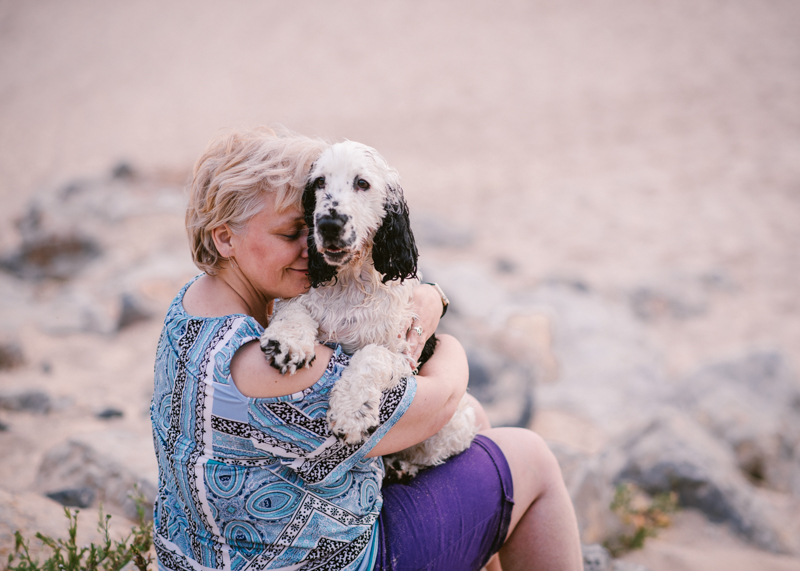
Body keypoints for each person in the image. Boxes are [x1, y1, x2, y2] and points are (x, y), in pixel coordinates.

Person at [150, 127, 583, 571]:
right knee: (532, 457)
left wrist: (428, 294)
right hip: (330, 562)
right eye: (290, 233)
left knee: (476, 428)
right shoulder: (275, 364)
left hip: (200, 556)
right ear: (225, 238)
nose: (314, 243)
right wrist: (448, 342)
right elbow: (437, 404)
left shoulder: (189, 309)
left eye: (310, 221)